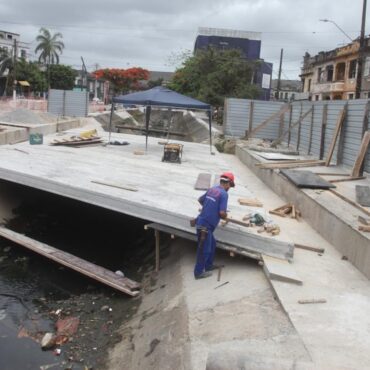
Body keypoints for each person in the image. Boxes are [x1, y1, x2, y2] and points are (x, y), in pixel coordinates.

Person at [192, 172, 235, 279]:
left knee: (212, 244)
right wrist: (225, 215)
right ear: (228, 183)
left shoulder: (212, 189)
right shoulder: (224, 194)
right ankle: (198, 273)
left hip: (202, 222)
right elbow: (222, 213)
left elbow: (200, 200)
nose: (230, 187)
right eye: (230, 185)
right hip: (205, 226)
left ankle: (209, 266)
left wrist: (210, 207)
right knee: (203, 249)